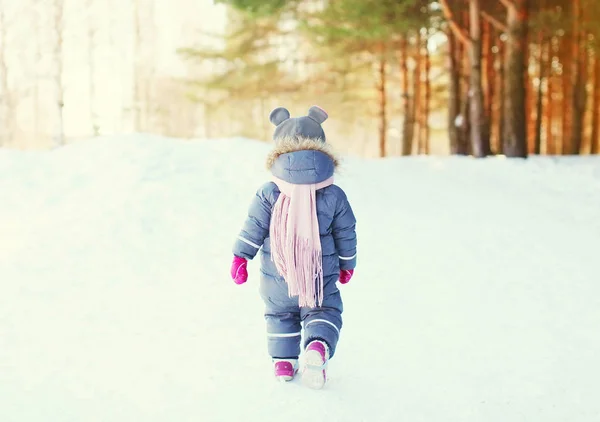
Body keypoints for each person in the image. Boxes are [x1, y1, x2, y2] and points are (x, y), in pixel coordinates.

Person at [230, 105, 357, 389]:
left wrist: (240, 257)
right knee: (323, 310)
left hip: (277, 274)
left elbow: (253, 226)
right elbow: (346, 233)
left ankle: (284, 363)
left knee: (279, 314)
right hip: (318, 276)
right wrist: (348, 263)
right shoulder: (333, 193)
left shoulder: (269, 191)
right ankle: (317, 346)